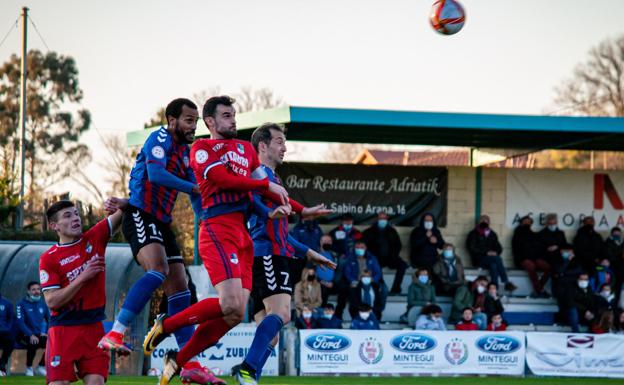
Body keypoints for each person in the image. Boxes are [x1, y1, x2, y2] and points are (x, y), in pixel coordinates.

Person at [141, 96, 305, 385]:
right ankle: (166, 324)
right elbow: (224, 179)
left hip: (242, 235)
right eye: (227, 116)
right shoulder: (202, 149)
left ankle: (177, 361)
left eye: (234, 115)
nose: (233, 121)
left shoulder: (244, 149)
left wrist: (296, 210)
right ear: (211, 122)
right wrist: (264, 186)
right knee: (228, 302)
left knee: (234, 313)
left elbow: (265, 189)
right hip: (217, 228)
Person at [98, 98, 215, 383]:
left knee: (181, 288)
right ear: (172, 120)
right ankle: (115, 332)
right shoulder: (159, 138)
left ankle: (189, 362)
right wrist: (193, 188)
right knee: (158, 270)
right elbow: (156, 174)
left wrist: (207, 221)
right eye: (189, 120)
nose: (193, 126)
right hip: (140, 214)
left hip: (162, 222)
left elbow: (195, 193)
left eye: (195, 121)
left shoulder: (186, 153)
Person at [232, 123, 334, 385]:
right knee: (284, 315)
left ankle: (248, 376)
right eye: (279, 141)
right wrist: (272, 212)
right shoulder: (259, 176)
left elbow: (282, 234)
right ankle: (246, 370)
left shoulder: (272, 179)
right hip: (267, 256)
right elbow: (251, 202)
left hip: (266, 255)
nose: (284, 147)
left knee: (272, 333)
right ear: (263, 146)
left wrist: (310, 252)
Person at [38, 199, 123, 385]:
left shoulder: (94, 237)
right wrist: (84, 276)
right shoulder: (48, 259)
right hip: (62, 329)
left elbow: (123, 211)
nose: (75, 218)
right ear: (54, 226)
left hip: (93, 328)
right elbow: (52, 301)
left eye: (76, 213)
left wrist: (117, 204)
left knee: (96, 382)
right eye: (67, 216)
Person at [466, 215, 517, 292]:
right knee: (497, 259)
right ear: (478, 222)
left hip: (491, 260)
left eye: (486, 220)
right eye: (482, 220)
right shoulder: (473, 234)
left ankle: (494, 288)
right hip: (479, 260)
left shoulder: (492, 234)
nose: (484, 222)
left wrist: (495, 252)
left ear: (489, 222)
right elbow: (472, 248)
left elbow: (499, 248)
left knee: (494, 265)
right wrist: (487, 252)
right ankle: (506, 282)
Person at [362, 212, 407, 294]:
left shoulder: (392, 231)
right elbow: (364, 246)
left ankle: (395, 288)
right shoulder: (369, 232)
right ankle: (382, 288)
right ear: (377, 220)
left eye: (384, 219)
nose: (382, 220)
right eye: (380, 218)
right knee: (375, 266)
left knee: (402, 265)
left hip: (390, 258)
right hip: (375, 258)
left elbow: (398, 245)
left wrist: (394, 255)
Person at [512, 216, 551, 298]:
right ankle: (540, 290)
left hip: (534, 258)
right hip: (522, 259)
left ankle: (538, 288)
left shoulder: (533, 235)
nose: (527, 223)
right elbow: (517, 251)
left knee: (548, 267)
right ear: (522, 223)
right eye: (525, 221)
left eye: (529, 221)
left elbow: (539, 246)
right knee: (531, 266)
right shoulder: (517, 234)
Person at [16, 281, 50, 376]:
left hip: (39, 334)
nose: (36, 291)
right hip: (24, 335)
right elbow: (20, 322)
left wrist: (46, 332)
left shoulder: (43, 303)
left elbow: (50, 320)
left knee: (52, 343)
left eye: (38, 289)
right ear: (28, 291)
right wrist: (30, 334)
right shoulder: (21, 304)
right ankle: (29, 368)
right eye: (33, 289)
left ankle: (41, 366)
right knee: (33, 342)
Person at [316, 235, 338, 305]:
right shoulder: (314, 254)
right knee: (323, 290)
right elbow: (310, 271)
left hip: (333, 284)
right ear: (320, 242)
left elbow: (339, 271)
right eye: (325, 241)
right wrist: (322, 282)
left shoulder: (335, 255)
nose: (327, 243)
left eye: (329, 241)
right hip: (319, 283)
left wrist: (333, 282)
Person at [0, 293, 14, 376]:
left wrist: (7, 328)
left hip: (3, 331)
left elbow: (11, 319)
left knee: (10, 342)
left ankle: (2, 365)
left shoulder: (7, 303)